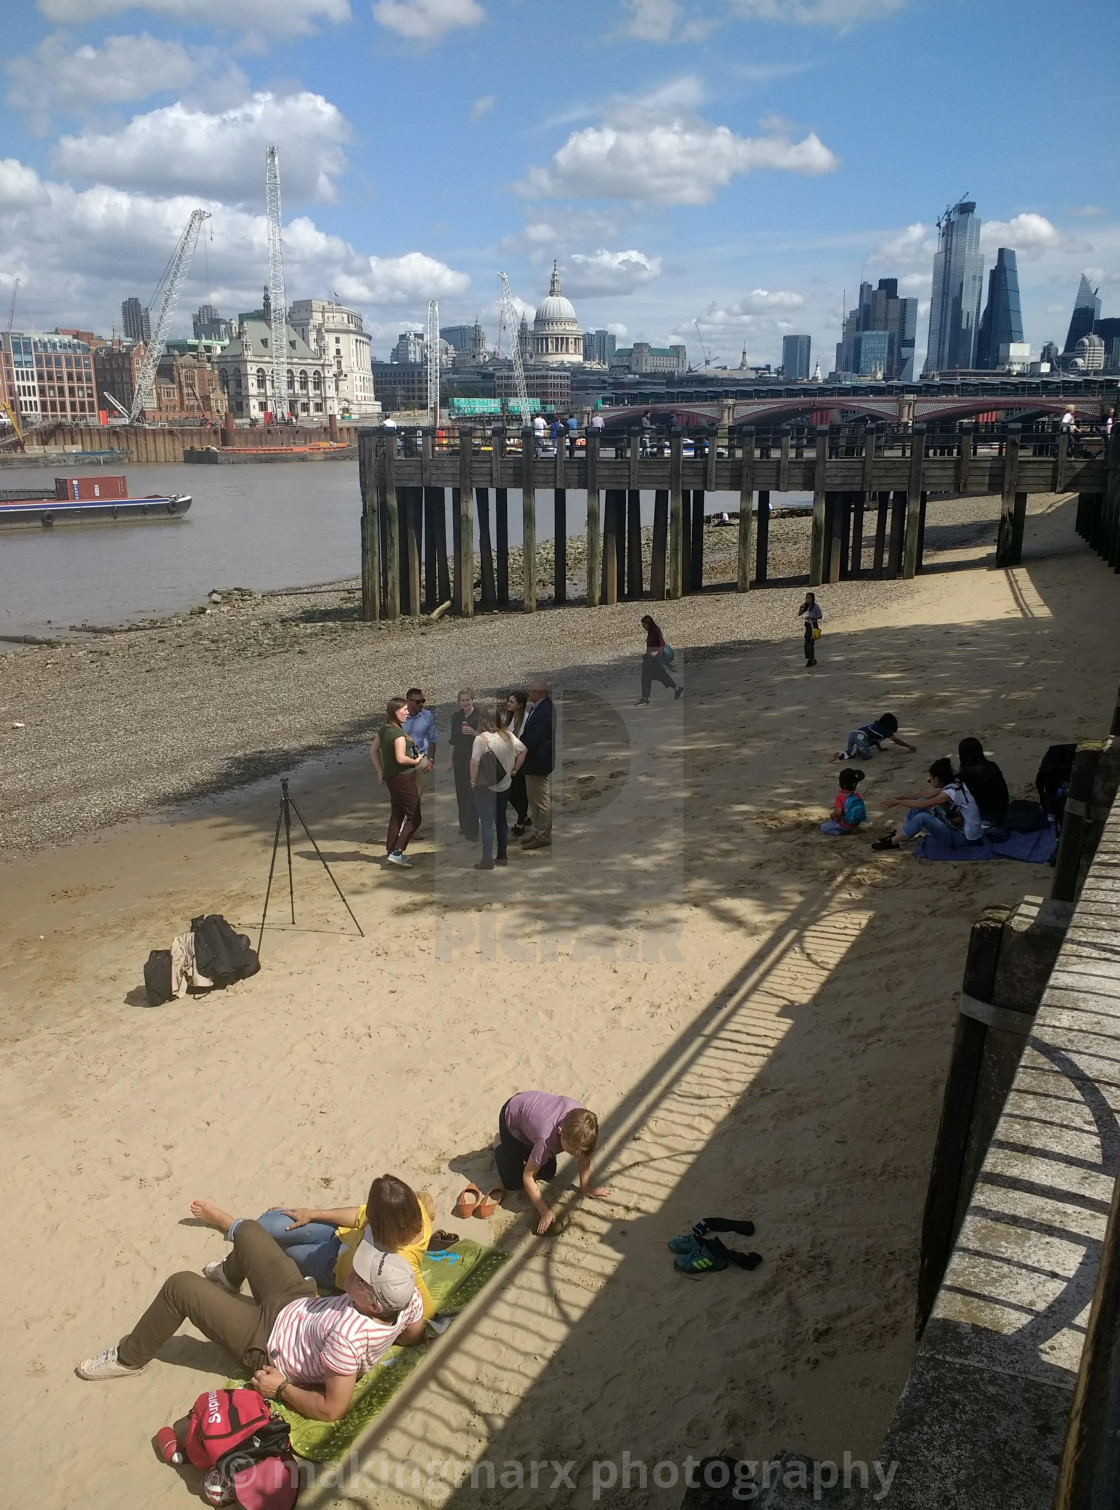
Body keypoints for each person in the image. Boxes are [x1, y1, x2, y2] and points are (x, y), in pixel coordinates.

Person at [76, 1222, 424, 1421]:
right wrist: (384, 1337)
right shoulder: (406, 1297)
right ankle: (227, 1278)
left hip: (267, 1341)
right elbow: (412, 1334)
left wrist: (281, 1389)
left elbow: (333, 1409)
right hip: (297, 1303)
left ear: (375, 1305)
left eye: (360, 1278)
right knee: (250, 1232)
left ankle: (129, 1358)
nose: (354, 1271)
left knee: (179, 1287)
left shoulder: (346, 1339)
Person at [190, 1176, 438, 1320]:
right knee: (269, 1223)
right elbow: (360, 1216)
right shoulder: (410, 1207)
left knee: (278, 1254)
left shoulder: (402, 1260)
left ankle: (228, 1226)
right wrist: (313, 1213)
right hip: (339, 1235)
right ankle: (239, 1243)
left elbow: (425, 1310)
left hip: (333, 1268)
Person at [490, 1091, 610, 1235]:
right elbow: (528, 1177)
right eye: (571, 1152)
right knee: (513, 1183)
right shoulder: (545, 1140)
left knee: (548, 1173)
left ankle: (523, 1152)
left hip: (533, 1121)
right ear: (560, 1132)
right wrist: (544, 1211)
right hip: (512, 1119)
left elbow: (584, 1156)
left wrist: (585, 1187)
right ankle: (498, 1144)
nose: (574, 1156)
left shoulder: (584, 1122)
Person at [872, 756, 983, 852]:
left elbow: (925, 804)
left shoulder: (949, 793)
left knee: (923, 817)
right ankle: (898, 834)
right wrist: (901, 797)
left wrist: (898, 802)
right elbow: (927, 796)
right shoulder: (954, 783)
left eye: (930, 778)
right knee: (920, 802)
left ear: (937, 778)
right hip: (961, 828)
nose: (929, 781)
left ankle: (893, 842)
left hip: (964, 839)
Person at [470, 703, 527, 870]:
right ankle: (502, 855)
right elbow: (523, 750)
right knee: (501, 819)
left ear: (483, 720)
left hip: (486, 786)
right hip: (505, 784)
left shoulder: (481, 739)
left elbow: (474, 763)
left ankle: (487, 859)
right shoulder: (508, 735)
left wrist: (473, 782)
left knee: (487, 822)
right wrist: (515, 769)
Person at [371, 696, 424, 868]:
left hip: (392, 779)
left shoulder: (384, 729)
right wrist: (416, 761)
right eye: (405, 710)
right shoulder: (398, 734)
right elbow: (401, 759)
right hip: (404, 778)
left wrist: (380, 770)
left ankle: (391, 851)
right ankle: (397, 852)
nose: (408, 713)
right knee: (414, 817)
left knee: (397, 815)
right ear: (396, 712)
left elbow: (373, 750)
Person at [520, 678, 554, 850]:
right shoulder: (539, 707)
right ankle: (538, 831)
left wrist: (518, 745)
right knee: (534, 801)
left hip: (539, 762)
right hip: (533, 762)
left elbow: (535, 737)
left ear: (539, 693)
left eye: (531, 691)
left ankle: (543, 835)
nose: (528, 693)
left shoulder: (545, 710)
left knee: (541, 801)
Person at [448, 688, 480, 840]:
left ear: (472, 699)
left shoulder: (479, 715)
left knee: (471, 792)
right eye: (463, 700)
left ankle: (473, 830)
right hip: (459, 759)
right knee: (461, 791)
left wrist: (473, 732)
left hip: (474, 758)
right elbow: (453, 740)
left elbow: (487, 738)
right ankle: (464, 825)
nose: (466, 703)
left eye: (468, 700)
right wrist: (450, 761)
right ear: (459, 702)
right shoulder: (456, 716)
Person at [956, 737, 1010, 827]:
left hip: (986, 816)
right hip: (1003, 811)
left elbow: (950, 789)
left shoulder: (966, 774)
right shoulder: (992, 765)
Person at [402, 687, 437, 810]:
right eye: (417, 702)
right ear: (408, 701)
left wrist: (431, 759)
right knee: (403, 795)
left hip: (420, 757)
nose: (421, 704)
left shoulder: (427, 716)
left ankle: (412, 826)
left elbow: (432, 738)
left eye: (423, 701)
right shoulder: (400, 716)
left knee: (417, 795)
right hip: (401, 760)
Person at [637, 614, 683, 705]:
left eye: (644, 625)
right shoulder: (650, 631)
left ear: (649, 623)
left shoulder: (656, 630)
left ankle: (645, 698)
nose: (643, 627)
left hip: (656, 659)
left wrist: (656, 652)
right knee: (649, 677)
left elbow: (662, 644)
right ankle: (645, 697)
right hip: (650, 659)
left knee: (658, 676)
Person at [832, 713, 916, 762]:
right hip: (861, 737)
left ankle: (841, 754)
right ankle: (857, 748)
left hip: (854, 733)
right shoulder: (885, 731)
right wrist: (908, 746)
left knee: (850, 753)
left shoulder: (876, 726)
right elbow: (895, 740)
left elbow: (875, 739)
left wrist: (880, 748)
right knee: (867, 755)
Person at [506, 691, 531, 834]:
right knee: (509, 792)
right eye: (508, 701)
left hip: (521, 759)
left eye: (511, 702)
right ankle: (525, 816)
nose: (508, 704)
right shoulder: (509, 718)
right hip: (509, 759)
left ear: (520, 705)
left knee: (520, 791)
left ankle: (521, 820)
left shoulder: (526, 720)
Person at [820, 768, 867, 835]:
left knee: (823, 827)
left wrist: (832, 816)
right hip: (856, 823)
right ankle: (852, 828)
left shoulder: (840, 797)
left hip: (844, 825)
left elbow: (838, 812)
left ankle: (840, 832)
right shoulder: (858, 795)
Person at [797, 592, 822, 668]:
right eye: (806, 598)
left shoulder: (815, 606)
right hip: (808, 626)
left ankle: (811, 659)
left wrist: (811, 618)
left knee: (810, 643)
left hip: (813, 625)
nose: (808, 599)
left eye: (809, 598)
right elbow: (799, 614)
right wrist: (801, 607)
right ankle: (810, 658)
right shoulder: (806, 606)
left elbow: (820, 616)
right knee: (806, 643)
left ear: (813, 599)